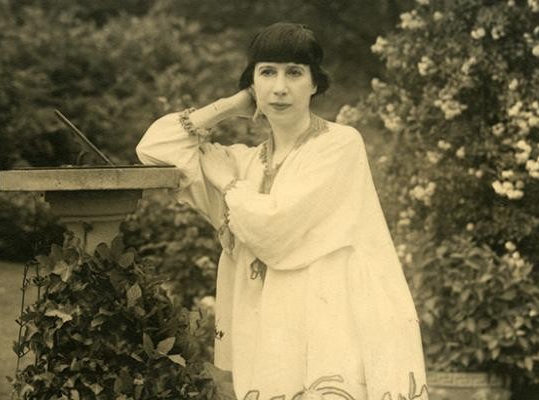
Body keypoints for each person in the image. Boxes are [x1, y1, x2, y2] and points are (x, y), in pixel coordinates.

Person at [136, 22, 428, 400]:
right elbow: (154, 147)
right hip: (268, 323)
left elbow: (274, 225)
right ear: (252, 84)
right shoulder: (245, 163)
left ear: (315, 84)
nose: (279, 88)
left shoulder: (339, 145)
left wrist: (227, 187)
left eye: (294, 73)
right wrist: (229, 107)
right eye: (267, 72)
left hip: (331, 321)